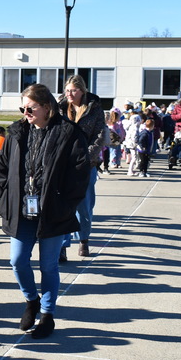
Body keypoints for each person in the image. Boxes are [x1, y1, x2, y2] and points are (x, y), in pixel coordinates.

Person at [0, 83, 90, 339]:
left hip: (53, 212)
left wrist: (65, 205)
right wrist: (3, 198)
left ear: (47, 107)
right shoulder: (16, 133)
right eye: (22, 107)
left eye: (30, 107)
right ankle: (31, 300)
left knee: (48, 266)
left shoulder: (69, 133)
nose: (25, 112)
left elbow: (80, 175)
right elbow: (2, 169)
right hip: (20, 210)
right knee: (17, 260)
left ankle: (47, 315)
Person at [58, 75, 105, 259]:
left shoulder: (94, 108)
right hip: (64, 164)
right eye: (67, 90)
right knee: (62, 204)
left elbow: (100, 135)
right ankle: (62, 245)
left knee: (84, 205)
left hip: (87, 164)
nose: (69, 93)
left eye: (73, 90)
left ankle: (84, 240)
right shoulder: (60, 107)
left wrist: (86, 157)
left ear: (82, 91)